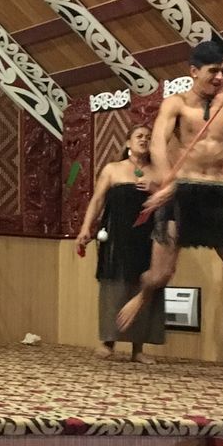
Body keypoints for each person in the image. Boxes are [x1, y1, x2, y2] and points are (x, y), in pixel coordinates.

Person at [119, 40, 223, 383]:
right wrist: (165, 181)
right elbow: (158, 143)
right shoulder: (176, 104)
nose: (220, 77)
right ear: (194, 71)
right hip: (180, 193)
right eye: (213, 71)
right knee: (161, 275)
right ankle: (145, 292)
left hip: (216, 195)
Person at [75, 125, 164, 363]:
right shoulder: (112, 169)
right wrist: (85, 228)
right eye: (139, 136)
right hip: (116, 236)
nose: (144, 140)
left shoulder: (158, 171)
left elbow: (171, 201)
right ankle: (108, 342)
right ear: (127, 142)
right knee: (114, 285)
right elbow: (97, 200)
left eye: (148, 137)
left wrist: (155, 189)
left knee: (144, 284)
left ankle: (138, 349)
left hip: (148, 237)